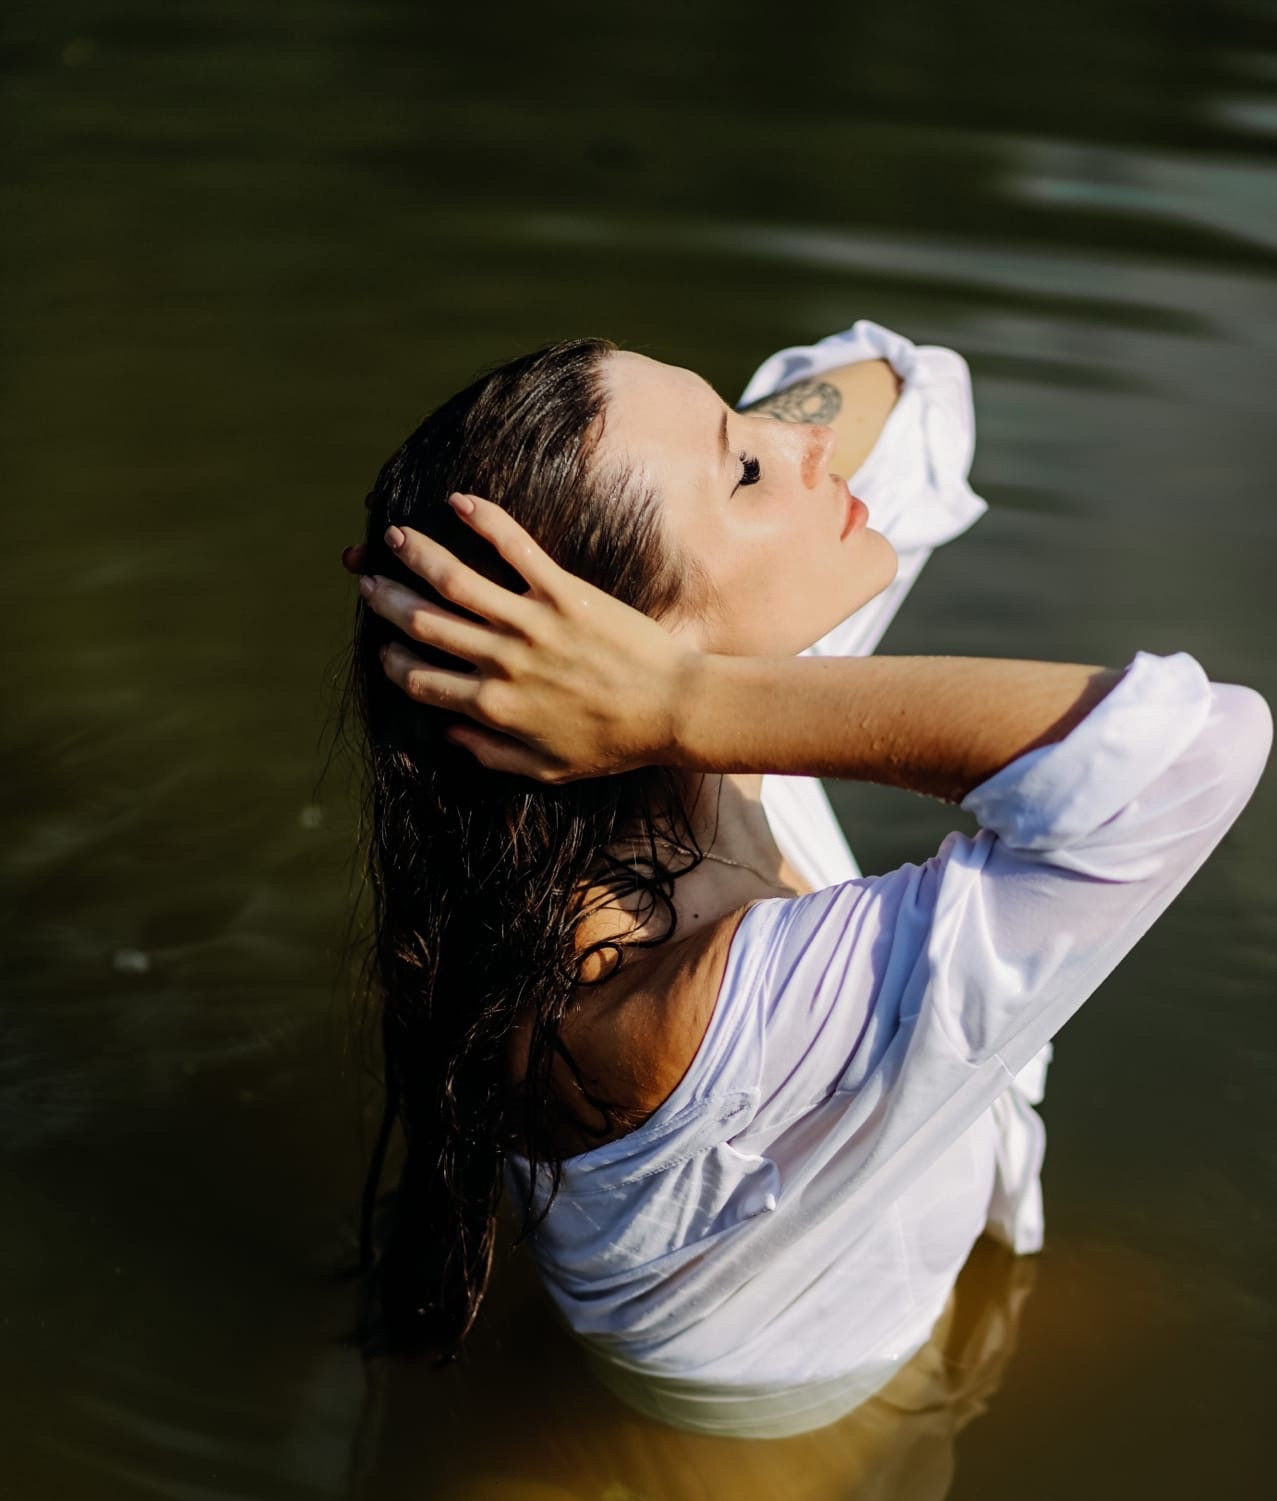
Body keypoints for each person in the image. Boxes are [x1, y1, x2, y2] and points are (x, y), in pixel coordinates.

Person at [346, 321, 1271, 1438]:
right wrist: (687, 702)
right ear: (620, 661)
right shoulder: (675, 1004)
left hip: (885, 1309)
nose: (803, 448)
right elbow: (1187, 754)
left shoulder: (711, 729)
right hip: (776, 1474)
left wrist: (689, 691)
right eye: (741, 470)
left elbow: (908, 384)